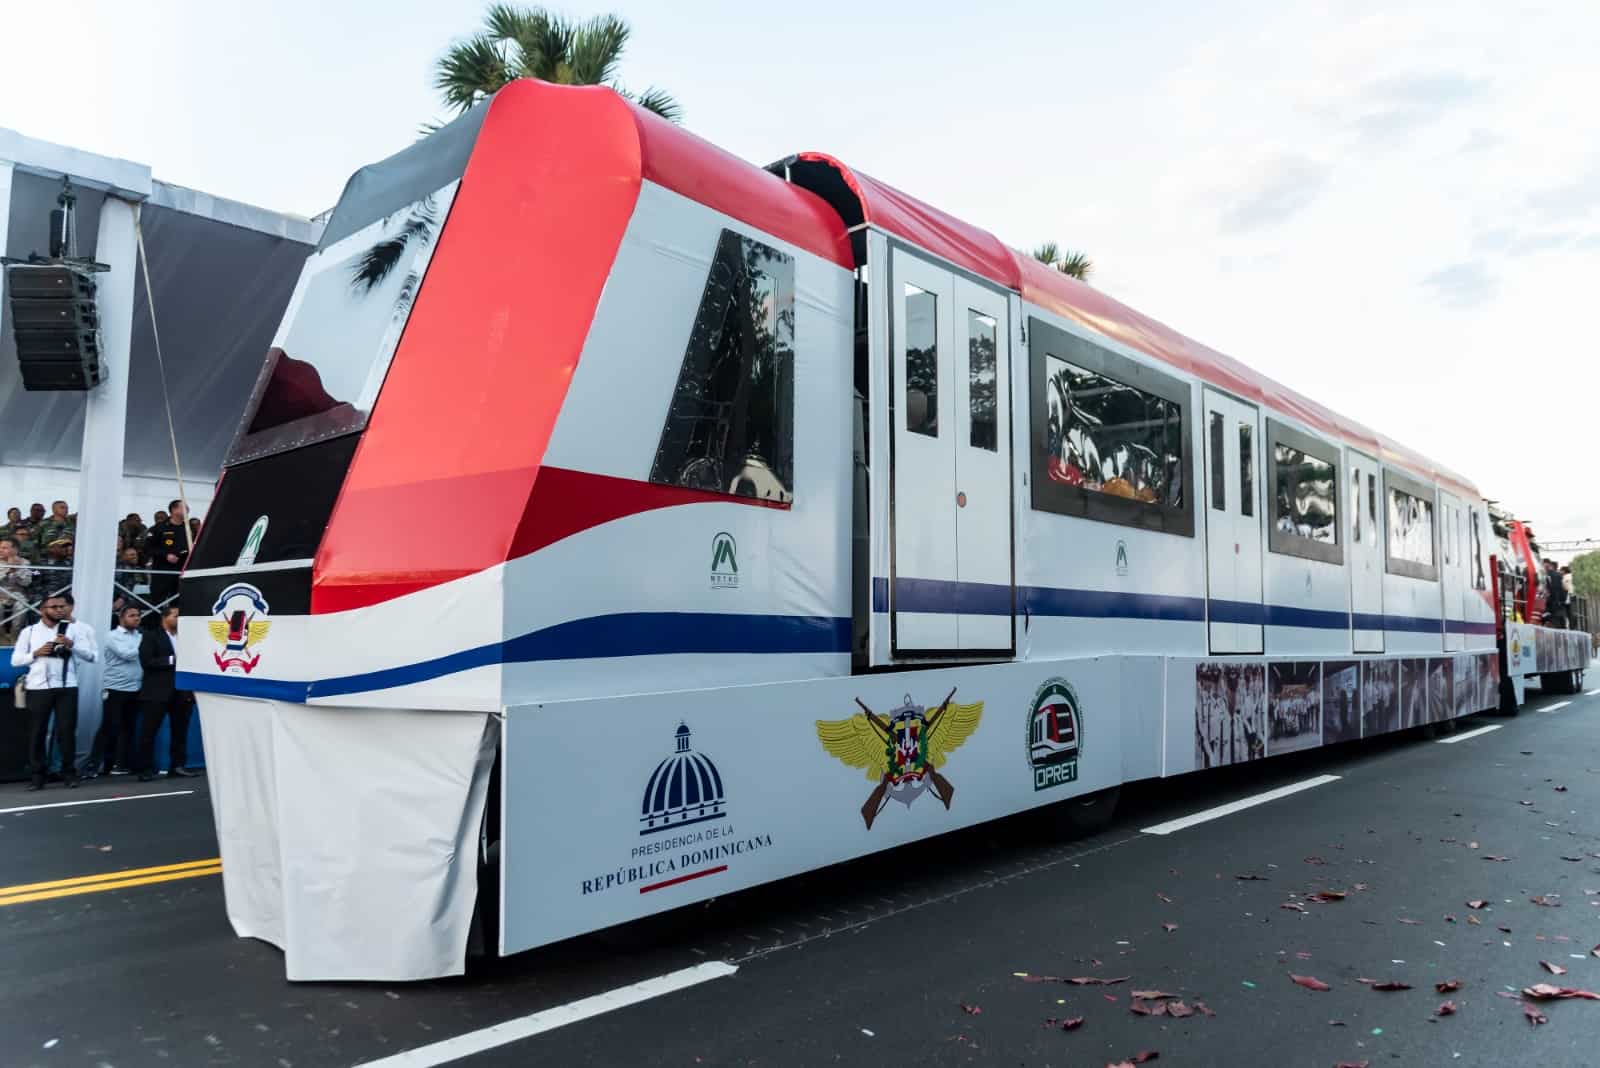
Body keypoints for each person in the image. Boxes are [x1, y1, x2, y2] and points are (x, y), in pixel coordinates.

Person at [9, 592, 98, 790]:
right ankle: (37, 776)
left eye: (62, 606)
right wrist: (35, 653)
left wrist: (72, 646)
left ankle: (69, 773)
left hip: (67, 686)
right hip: (38, 687)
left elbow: (93, 657)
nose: (59, 610)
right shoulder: (29, 632)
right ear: (42, 610)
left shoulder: (74, 630)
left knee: (66, 732)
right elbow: (15, 661)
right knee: (37, 733)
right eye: (54, 607)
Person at [84, 604, 144, 778]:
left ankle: (120, 764)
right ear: (122, 618)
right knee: (109, 726)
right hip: (115, 687)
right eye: (132, 615)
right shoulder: (112, 636)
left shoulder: (139, 636)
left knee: (129, 727)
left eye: (138, 615)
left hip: (136, 687)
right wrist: (145, 644)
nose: (136, 618)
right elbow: (127, 654)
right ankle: (93, 765)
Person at [136, 605, 194, 780]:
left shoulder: (187, 638)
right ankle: (145, 768)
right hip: (156, 691)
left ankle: (177, 765)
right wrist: (172, 660)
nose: (179, 620)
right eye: (176, 616)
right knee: (149, 731)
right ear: (165, 617)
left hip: (181, 691)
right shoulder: (151, 635)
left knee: (180, 731)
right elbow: (146, 661)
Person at [144, 501, 190, 609]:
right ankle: (154, 625)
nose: (188, 509)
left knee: (179, 603)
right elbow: (147, 548)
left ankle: (175, 625)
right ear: (174, 510)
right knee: (157, 601)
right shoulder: (158, 528)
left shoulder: (189, 528)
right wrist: (165, 555)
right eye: (184, 507)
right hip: (162, 571)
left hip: (182, 571)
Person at [1545, 558, 1568, 628]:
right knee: (1561, 625)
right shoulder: (1561, 576)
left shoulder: (1548, 575)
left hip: (1551, 605)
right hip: (1560, 606)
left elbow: (1549, 589)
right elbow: (1565, 590)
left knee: (1553, 623)